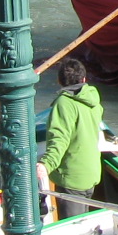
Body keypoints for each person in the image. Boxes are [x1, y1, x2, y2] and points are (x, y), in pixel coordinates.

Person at [42, 58, 104, 219]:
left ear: (59, 81)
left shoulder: (64, 103)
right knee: (84, 223)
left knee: (73, 228)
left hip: (72, 178)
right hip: (91, 174)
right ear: (84, 79)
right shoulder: (94, 101)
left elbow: (59, 139)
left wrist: (45, 165)